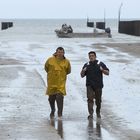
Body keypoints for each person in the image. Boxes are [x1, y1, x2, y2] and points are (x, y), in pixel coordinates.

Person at [80, 51, 109, 119]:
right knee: (90, 99)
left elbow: (107, 73)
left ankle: (98, 112)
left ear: (95, 56)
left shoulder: (100, 63)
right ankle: (91, 114)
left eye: (92, 55)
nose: (91, 57)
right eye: (90, 56)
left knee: (98, 100)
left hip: (98, 85)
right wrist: (83, 71)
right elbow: (81, 75)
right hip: (89, 85)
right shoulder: (87, 64)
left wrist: (102, 70)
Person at [44, 47, 71, 119]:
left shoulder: (67, 61)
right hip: (51, 82)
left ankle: (60, 114)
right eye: (59, 52)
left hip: (60, 83)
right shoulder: (50, 60)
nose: (60, 54)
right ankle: (53, 110)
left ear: (63, 53)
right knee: (51, 98)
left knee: (60, 98)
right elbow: (46, 68)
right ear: (56, 52)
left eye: (62, 52)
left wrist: (61, 75)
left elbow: (68, 71)